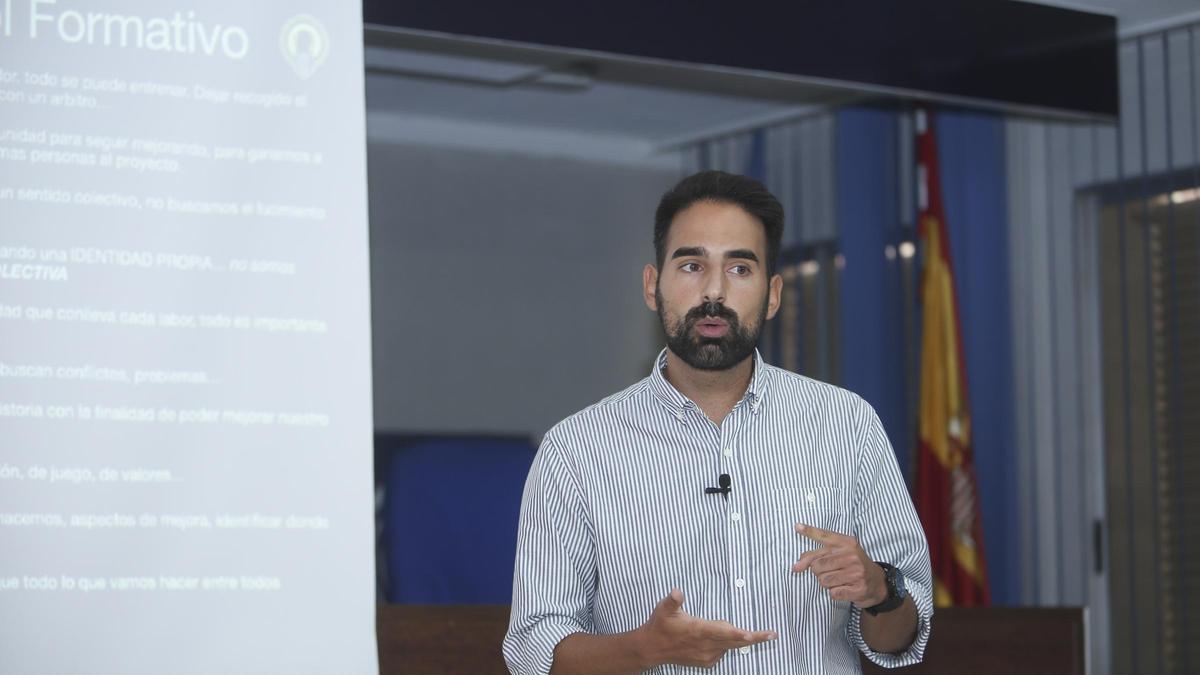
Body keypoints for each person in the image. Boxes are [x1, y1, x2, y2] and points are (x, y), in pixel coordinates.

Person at [502, 171, 932, 674]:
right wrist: (647, 647)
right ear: (652, 286)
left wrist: (880, 591)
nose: (714, 292)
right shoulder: (576, 450)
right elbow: (532, 653)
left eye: (740, 269)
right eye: (690, 265)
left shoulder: (846, 424)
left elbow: (900, 639)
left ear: (772, 294)